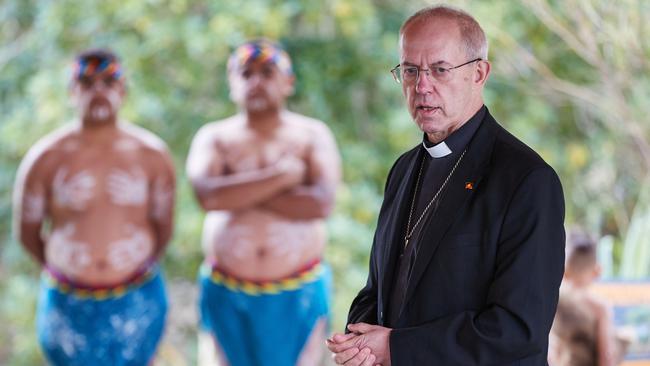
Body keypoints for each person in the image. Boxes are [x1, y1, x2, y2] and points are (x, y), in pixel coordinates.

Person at [327, 5, 565, 366]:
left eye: (440, 69)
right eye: (410, 70)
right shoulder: (404, 168)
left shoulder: (527, 179)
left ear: (479, 73)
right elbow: (378, 290)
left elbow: (518, 330)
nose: (422, 86)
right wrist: (360, 340)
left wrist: (395, 348)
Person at [12, 49, 176, 365]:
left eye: (108, 82)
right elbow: (27, 232)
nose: (98, 91)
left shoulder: (152, 155)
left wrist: (128, 264)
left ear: (123, 91)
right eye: (87, 83)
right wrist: (70, 267)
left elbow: (163, 226)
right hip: (68, 302)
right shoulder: (46, 158)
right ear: (72, 93)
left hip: (136, 297)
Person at [186, 39, 341, 366]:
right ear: (232, 84)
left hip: (298, 293)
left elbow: (320, 203)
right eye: (246, 73)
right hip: (226, 292)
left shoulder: (313, 135)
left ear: (288, 82)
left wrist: (238, 194)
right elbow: (208, 196)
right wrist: (281, 177)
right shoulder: (213, 137)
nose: (255, 81)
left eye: (267, 72)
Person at [549, 231, 618, 366]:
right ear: (597, 270)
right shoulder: (599, 308)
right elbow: (606, 356)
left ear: (564, 269)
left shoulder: (552, 301)